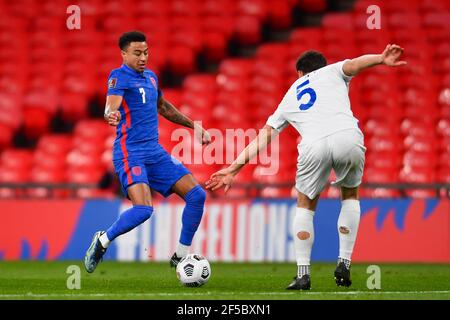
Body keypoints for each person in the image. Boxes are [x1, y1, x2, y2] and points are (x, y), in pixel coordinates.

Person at [206, 44, 406, 290]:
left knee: (305, 203)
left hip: (314, 145)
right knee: (350, 195)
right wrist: (381, 59)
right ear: (322, 67)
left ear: (300, 73)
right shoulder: (334, 71)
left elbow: (265, 137)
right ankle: (344, 261)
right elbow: (354, 63)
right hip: (348, 137)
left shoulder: (291, 93)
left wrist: (233, 169)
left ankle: (303, 274)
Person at [84, 31, 211, 273]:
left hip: (155, 152)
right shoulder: (118, 76)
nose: (143, 57)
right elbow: (111, 105)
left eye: (146, 52)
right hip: (130, 153)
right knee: (143, 210)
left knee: (197, 196)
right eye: (137, 53)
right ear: (124, 54)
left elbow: (163, 107)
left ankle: (180, 256)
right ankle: (102, 240)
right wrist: (110, 114)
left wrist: (193, 125)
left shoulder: (151, 78)